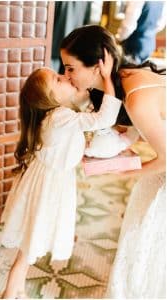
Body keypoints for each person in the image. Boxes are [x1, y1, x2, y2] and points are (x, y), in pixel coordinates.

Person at [60, 24, 166, 298]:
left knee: (150, 235)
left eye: (71, 68)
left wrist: (127, 172)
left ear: (97, 66)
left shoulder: (135, 99)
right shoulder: (123, 80)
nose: (66, 75)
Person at [0, 65, 122, 299]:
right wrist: (106, 78)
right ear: (51, 97)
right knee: (27, 248)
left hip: (47, 181)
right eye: (58, 79)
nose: (65, 77)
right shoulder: (60, 117)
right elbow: (105, 117)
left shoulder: (56, 114)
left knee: (30, 242)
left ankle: (18, 289)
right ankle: (9, 293)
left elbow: (81, 105)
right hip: (50, 186)